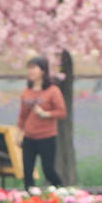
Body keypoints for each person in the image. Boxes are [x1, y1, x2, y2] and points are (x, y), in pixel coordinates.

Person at [17, 57, 66, 188]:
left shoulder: (53, 91)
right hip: (29, 137)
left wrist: (46, 114)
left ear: (43, 71)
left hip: (47, 137)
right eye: (29, 68)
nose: (30, 71)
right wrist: (19, 133)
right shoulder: (26, 92)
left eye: (34, 68)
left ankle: (62, 190)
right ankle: (29, 199)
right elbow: (23, 115)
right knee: (27, 171)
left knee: (48, 170)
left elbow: (62, 112)